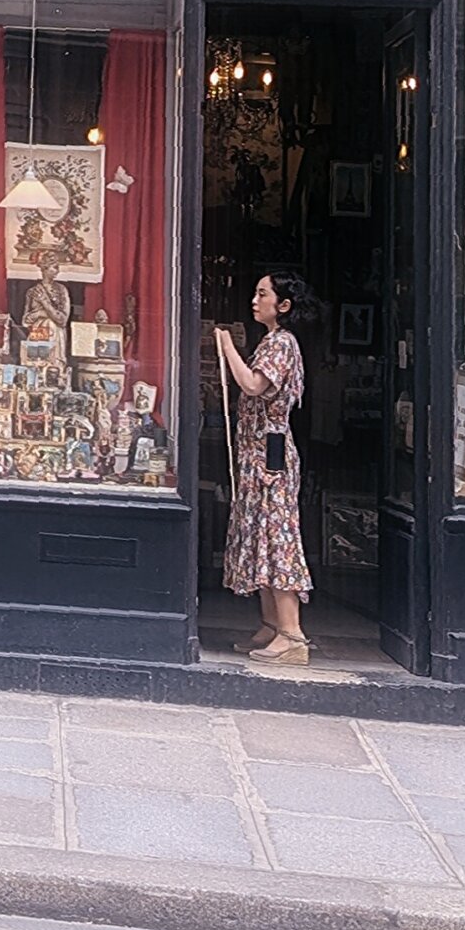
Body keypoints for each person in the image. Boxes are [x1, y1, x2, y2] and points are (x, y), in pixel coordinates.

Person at [215, 270, 317, 666]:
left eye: (262, 294)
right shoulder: (273, 341)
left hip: (270, 455)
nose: (254, 301)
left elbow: (254, 385)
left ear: (283, 305)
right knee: (258, 532)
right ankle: (271, 624)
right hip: (256, 453)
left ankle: (292, 633)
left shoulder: (281, 343)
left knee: (277, 535)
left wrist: (227, 347)